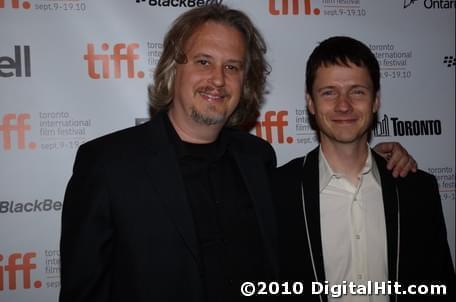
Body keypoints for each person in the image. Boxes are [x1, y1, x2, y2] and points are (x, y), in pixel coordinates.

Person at [59, 5, 416, 302]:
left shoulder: (258, 159)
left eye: (232, 67)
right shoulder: (107, 165)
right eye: (203, 62)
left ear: (246, 81)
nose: (218, 79)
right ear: (173, 67)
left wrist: (383, 159)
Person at [274, 36, 455, 302]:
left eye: (357, 91)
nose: (344, 105)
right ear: (310, 103)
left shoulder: (417, 189)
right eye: (329, 92)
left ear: (375, 101)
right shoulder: (277, 191)